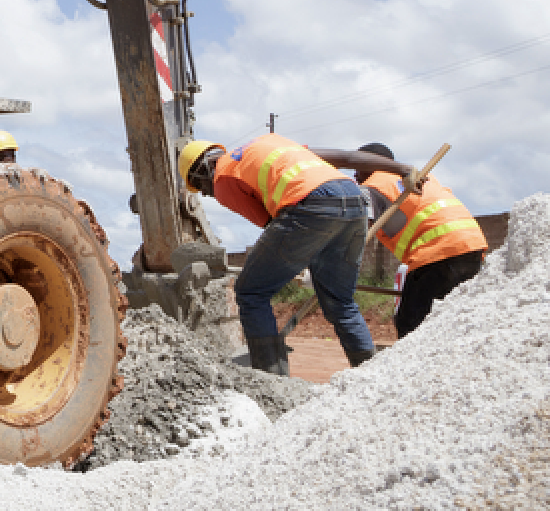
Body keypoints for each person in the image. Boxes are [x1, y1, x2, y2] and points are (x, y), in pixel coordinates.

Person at [177, 135, 415, 376]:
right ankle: (370, 376)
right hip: (355, 203)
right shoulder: (273, 144)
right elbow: (348, 157)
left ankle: (271, 382)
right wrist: (403, 169)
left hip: (309, 205)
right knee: (340, 301)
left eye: (203, 189)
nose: (210, 194)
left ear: (202, 172)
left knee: (251, 292)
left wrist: (301, 257)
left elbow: (273, 226)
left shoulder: (223, 178)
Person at [352, 142, 488, 339]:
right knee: (454, 321)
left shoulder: (373, 185)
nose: (355, 176)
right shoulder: (422, 176)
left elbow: (357, 229)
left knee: (412, 324)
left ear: (371, 162)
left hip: (438, 253)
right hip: (472, 247)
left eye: (358, 168)